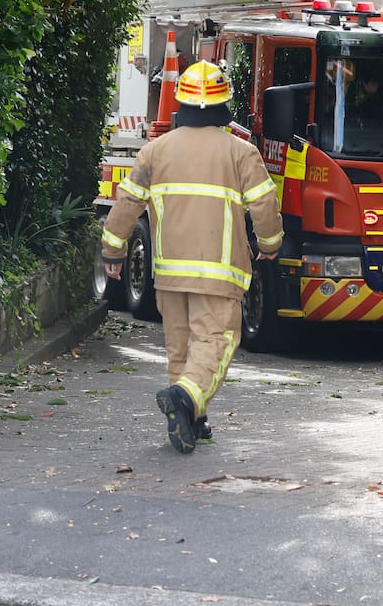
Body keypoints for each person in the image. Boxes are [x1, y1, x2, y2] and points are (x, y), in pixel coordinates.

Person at [101, 60, 284, 453]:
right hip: (219, 273)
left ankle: (192, 421)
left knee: (180, 348)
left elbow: (126, 205)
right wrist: (270, 245)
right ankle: (186, 398)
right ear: (223, 104)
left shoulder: (155, 151)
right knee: (216, 343)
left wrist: (111, 251)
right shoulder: (241, 153)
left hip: (168, 273)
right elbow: (264, 207)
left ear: (181, 102)